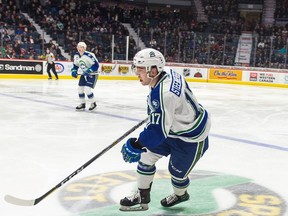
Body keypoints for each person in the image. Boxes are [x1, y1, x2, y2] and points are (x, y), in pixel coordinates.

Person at [120, 48, 211, 211]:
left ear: (153, 70)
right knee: (146, 157)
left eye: (140, 70)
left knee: (177, 174)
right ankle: (141, 195)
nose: (136, 73)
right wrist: (159, 113)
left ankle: (181, 194)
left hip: (190, 136)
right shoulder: (165, 73)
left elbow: (157, 131)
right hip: (172, 127)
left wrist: (137, 143)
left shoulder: (164, 94)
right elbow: (164, 114)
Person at [71, 42, 99, 111]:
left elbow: (96, 65)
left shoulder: (89, 55)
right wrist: (74, 71)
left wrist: (89, 70)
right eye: (79, 47)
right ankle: (82, 104)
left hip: (92, 74)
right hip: (84, 74)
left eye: (82, 47)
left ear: (85, 48)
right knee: (80, 89)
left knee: (87, 89)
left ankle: (93, 103)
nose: (80, 48)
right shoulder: (76, 55)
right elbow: (75, 65)